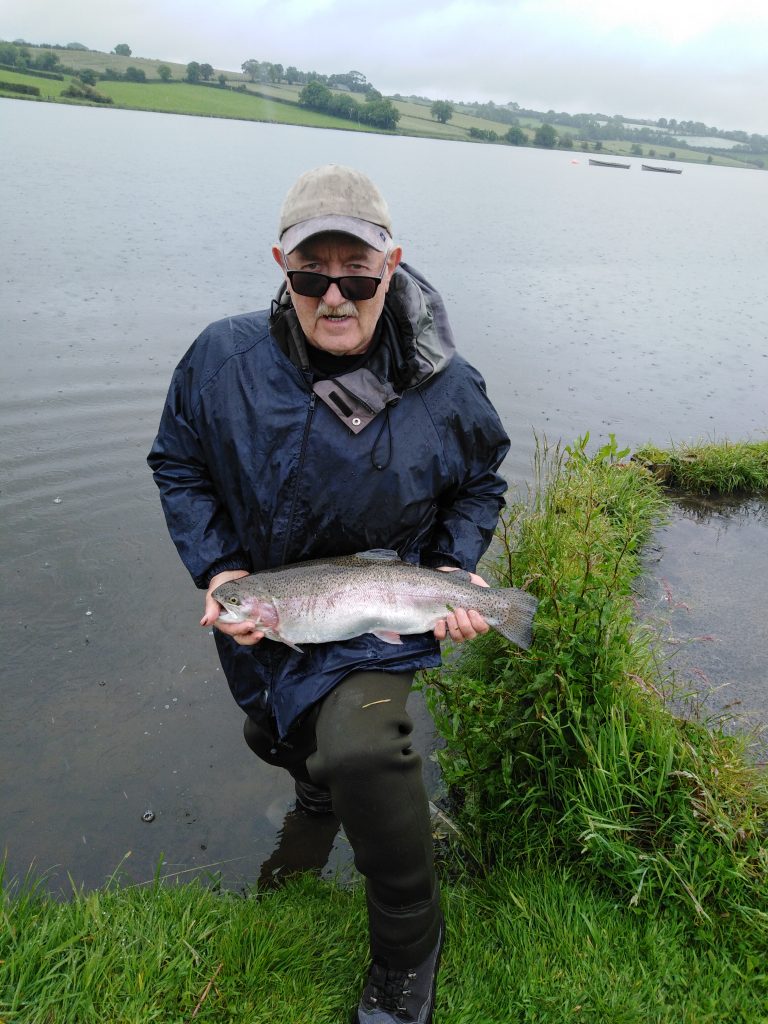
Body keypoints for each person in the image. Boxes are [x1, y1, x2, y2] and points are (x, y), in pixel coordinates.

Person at [148, 164, 510, 1024]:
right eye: (313, 275)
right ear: (282, 267)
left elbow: (481, 480)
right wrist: (220, 570)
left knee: (360, 749)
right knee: (271, 730)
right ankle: (315, 793)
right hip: (272, 604)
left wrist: (454, 566)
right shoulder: (221, 360)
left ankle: (409, 952)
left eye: (358, 274)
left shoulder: (446, 385)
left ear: (392, 266)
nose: (335, 296)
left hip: (381, 609)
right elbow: (179, 463)